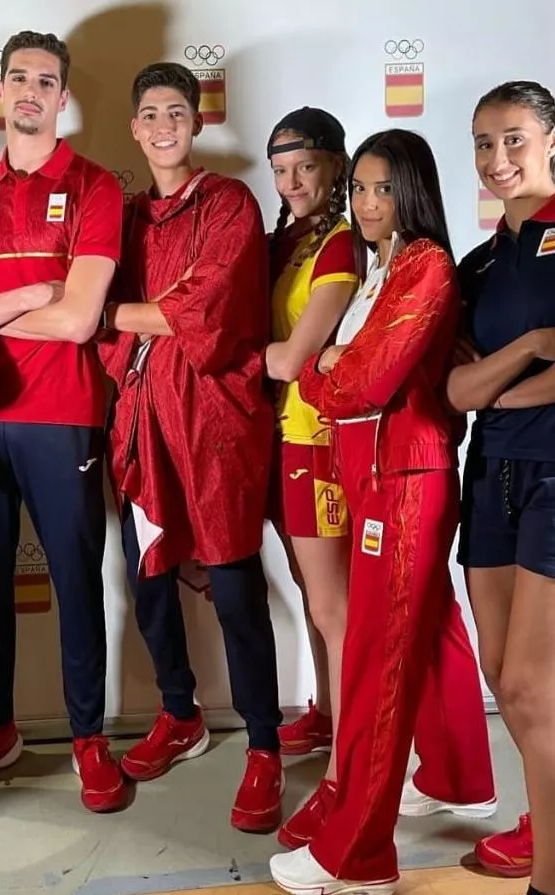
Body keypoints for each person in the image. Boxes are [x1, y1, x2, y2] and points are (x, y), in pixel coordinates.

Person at [270, 130, 494, 895]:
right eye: (359, 189)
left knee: (375, 658)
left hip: (405, 478)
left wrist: (322, 371)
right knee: (424, 629)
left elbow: (362, 381)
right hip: (382, 474)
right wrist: (333, 366)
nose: (367, 202)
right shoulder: (384, 263)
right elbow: (353, 372)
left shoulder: (425, 264)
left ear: (411, 191)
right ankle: (463, 778)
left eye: (382, 188)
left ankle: (358, 855)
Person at [0, 31, 127, 813]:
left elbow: (78, 323)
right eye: (19, 78)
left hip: (61, 415)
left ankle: (87, 739)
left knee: (75, 582)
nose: (32, 90)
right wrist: (24, 296)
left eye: (47, 79)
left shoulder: (96, 186)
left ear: (62, 97)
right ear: (0, 91)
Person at [95, 61, 283, 831]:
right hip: (142, 417)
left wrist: (116, 311)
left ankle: (265, 745)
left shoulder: (230, 201)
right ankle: (180, 711)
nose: (164, 124)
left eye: (177, 110)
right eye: (150, 113)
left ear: (196, 121)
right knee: (148, 577)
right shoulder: (126, 215)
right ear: (134, 128)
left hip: (213, 422)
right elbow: (107, 312)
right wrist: (132, 313)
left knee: (236, 586)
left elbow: (206, 309)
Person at [448, 80, 555, 895]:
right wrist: (531, 350)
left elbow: (474, 386)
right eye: (484, 143)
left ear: (549, 139)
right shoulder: (478, 261)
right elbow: (453, 392)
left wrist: (492, 382)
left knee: (529, 685)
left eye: (513, 138)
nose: (497, 158)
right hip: (488, 475)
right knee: (506, 684)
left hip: (553, 471)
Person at [263, 110, 357, 826]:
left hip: (318, 440)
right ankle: (328, 717)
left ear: (336, 166)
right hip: (286, 436)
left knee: (335, 609)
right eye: (280, 168)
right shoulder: (291, 241)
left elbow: (291, 358)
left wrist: (221, 345)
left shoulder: (340, 241)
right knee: (312, 591)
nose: (292, 181)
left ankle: (350, 770)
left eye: (306, 165)